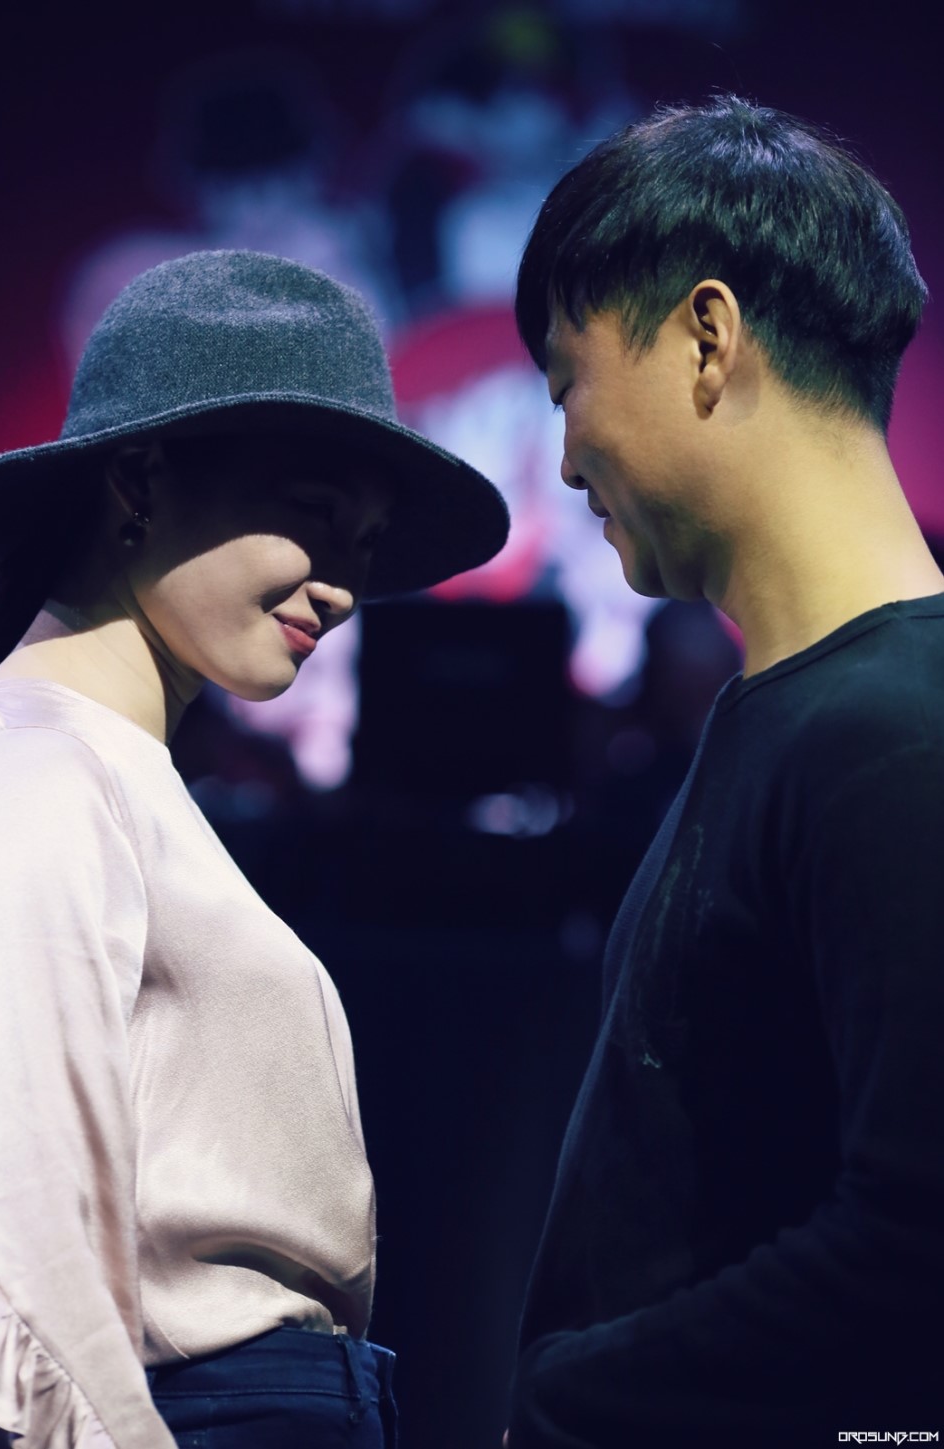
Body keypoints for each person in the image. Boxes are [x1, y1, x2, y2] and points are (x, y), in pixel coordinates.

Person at [0, 248, 508, 1448]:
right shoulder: (39, 773)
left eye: (366, 542)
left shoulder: (100, 774)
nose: (344, 587)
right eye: (315, 513)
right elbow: (13, 1244)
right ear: (139, 479)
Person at [506, 96, 944, 1446]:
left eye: (567, 384)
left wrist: (574, 1399)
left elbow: (916, 1239)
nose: (564, 457)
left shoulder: (898, 730)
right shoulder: (812, 716)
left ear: (707, 336)